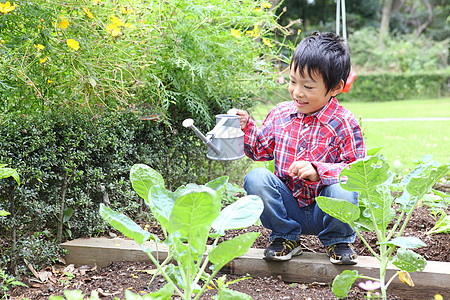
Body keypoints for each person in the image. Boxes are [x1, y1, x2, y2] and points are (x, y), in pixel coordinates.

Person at [229, 32, 366, 265]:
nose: (297, 92)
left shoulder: (344, 122)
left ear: (335, 87)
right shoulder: (281, 114)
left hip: (326, 208)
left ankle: (337, 240)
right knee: (256, 177)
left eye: (308, 86)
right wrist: (245, 127)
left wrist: (318, 171)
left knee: (343, 188)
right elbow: (259, 150)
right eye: (293, 82)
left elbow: (358, 171)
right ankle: (284, 236)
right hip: (288, 204)